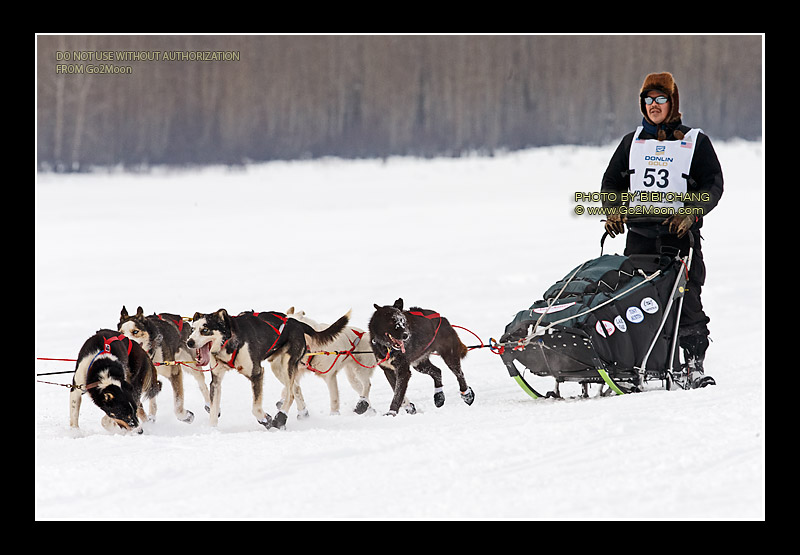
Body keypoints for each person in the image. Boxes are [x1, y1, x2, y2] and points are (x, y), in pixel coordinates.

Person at [600, 71, 723, 388]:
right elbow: (611, 183)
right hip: (640, 239)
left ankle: (693, 365)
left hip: (679, 238)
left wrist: (692, 211)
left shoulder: (694, 141)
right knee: (633, 302)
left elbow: (713, 184)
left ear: (673, 102)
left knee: (686, 301)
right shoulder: (632, 142)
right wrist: (613, 211)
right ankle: (633, 366)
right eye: (648, 100)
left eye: (660, 99)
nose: (654, 105)